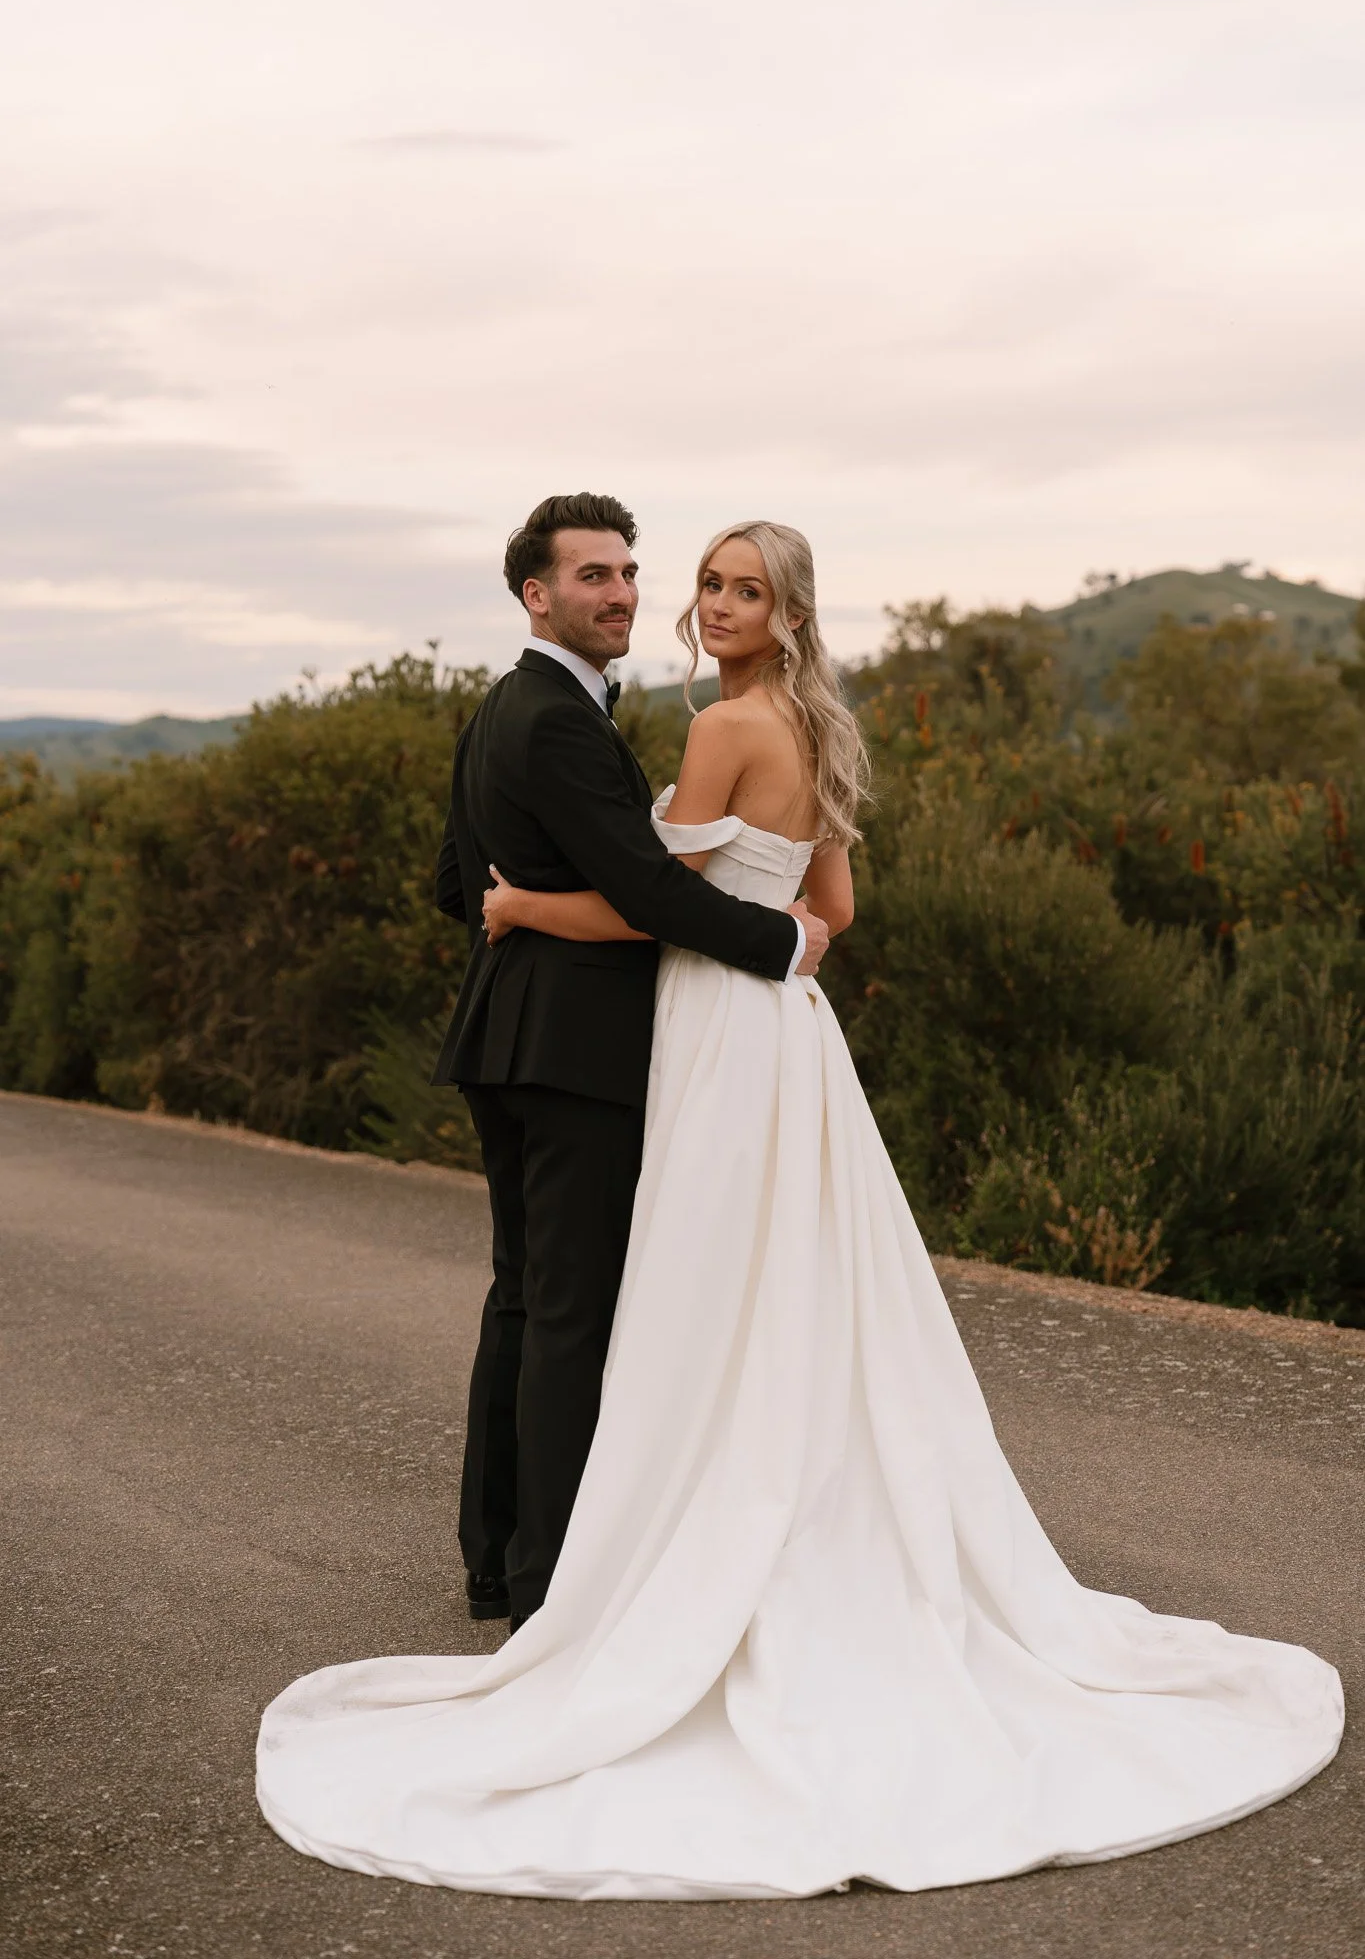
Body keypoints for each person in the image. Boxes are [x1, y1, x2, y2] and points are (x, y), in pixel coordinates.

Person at [257, 520, 1342, 1901]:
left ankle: (604, 1557)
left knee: (674, 1287)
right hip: (791, 1037)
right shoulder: (815, 728)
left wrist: (526, 903)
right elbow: (833, 902)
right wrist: (794, 947)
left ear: (783, 610)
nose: (702, 605)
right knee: (777, 1281)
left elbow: (651, 904)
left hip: (714, 1025)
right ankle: (578, 1546)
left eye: (736, 588)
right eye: (701, 583)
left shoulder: (716, 730)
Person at [429, 493, 827, 1630]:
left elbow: (459, 886)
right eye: (592, 574)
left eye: (627, 570)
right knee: (570, 1311)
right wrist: (783, 940)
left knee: (524, 1299)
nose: (620, 592)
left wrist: (521, 910)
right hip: (575, 1049)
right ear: (535, 593)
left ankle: (496, 1559)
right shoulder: (556, 716)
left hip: (506, 1035)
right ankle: (552, 1583)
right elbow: (656, 895)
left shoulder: (501, 707)